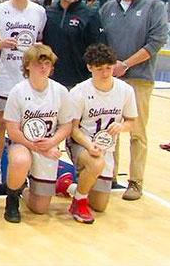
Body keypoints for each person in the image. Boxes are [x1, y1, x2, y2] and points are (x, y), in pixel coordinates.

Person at [99, 0, 169, 200]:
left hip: (139, 78)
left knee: (137, 132)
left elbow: (156, 41)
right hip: (111, 80)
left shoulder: (154, 7)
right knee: (111, 130)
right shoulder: (107, 8)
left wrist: (125, 64)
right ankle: (110, 177)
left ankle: (136, 182)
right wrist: (110, 67)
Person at [56, 43, 137, 224]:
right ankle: (78, 202)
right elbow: (73, 129)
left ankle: (69, 187)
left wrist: (121, 127)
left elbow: (132, 122)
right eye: (100, 69)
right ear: (90, 67)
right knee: (95, 162)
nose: (106, 73)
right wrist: (88, 145)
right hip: (81, 143)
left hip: (106, 148)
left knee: (100, 205)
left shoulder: (125, 90)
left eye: (109, 68)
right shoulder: (79, 92)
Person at [0, 0, 47, 190]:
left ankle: (29, 171)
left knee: (28, 125)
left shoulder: (39, 12)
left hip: (29, 78)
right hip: (5, 75)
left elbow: (40, 43)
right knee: (0, 124)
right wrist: (0, 44)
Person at [2, 44, 73, 223]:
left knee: (40, 209)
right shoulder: (18, 91)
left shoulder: (60, 91)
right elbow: (12, 131)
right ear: (27, 65)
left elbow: (67, 125)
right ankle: (11, 200)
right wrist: (36, 147)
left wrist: (52, 142)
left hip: (48, 145)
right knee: (20, 160)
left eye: (47, 63)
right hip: (22, 143)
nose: (43, 67)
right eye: (38, 63)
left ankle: (23, 189)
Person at [42, 0, 106, 88]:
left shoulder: (90, 14)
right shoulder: (48, 13)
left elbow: (99, 49)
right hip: (50, 82)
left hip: (80, 83)